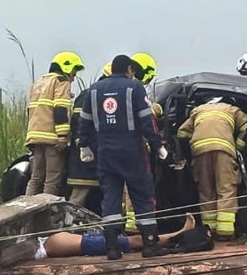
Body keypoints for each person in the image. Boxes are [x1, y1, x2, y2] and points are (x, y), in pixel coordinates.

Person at [78, 54, 170, 260]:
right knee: (142, 195)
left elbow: (84, 122)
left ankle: (111, 247)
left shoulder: (93, 90)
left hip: (105, 153)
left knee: (110, 197)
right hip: (132, 152)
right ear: (128, 69)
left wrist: (84, 146)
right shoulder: (134, 88)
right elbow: (146, 120)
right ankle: (149, 244)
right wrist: (158, 146)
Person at [177, 96, 247, 239]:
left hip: (199, 151)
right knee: (226, 188)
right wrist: (239, 146)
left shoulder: (198, 110)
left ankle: (209, 230)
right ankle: (225, 232)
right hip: (224, 150)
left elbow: (181, 133)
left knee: (206, 190)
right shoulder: (232, 109)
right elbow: (246, 125)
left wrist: (188, 150)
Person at [25, 51, 85, 196]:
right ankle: (46, 212)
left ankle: (25, 209)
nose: (73, 78)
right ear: (67, 67)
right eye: (74, 73)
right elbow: (60, 110)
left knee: (36, 177)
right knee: (52, 178)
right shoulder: (61, 82)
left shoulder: (38, 82)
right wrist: (63, 136)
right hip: (52, 137)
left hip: (35, 136)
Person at [35, 213, 211, 258]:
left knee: (132, 241)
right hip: (60, 244)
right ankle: (178, 235)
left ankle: (177, 236)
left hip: (61, 241)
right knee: (133, 241)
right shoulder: (45, 247)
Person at [122, 52, 161, 233]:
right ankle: (139, 226)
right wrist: (156, 108)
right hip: (136, 145)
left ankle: (129, 223)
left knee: (123, 188)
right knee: (139, 186)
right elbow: (145, 116)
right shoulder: (136, 88)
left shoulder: (119, 88)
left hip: (116, 145)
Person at [67, 63, 112, 208]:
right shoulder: (89, 94)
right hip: (86, 157)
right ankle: (69, 225)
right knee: (79, 196)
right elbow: (77, 122)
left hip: (101, 155)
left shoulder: (108, 96)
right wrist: (83, 145)